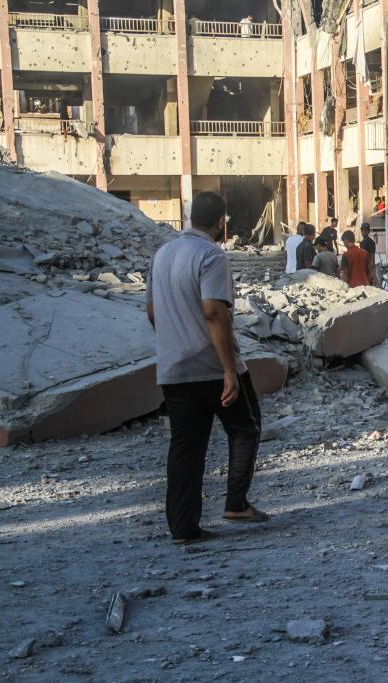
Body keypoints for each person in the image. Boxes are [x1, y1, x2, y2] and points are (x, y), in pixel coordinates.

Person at [146, 191, 268, 546]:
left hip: (174, 368)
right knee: (245, 427)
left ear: (188, 217)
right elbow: (214, 312)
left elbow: (152, 312)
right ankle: (236, 503)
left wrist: (174, 342)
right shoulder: (211, 255)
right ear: (221, 223)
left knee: (185, 447)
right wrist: (229, 370)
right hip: (212, 366)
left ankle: (183, 529)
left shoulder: (162, 254)